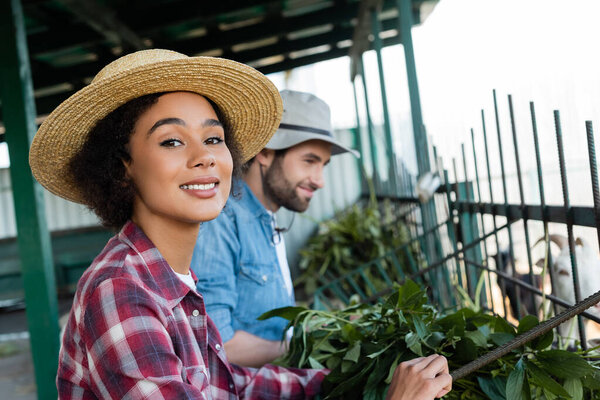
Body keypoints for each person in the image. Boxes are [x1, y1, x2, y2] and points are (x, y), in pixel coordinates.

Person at [30, 49, 451, 399]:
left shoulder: (173, 279)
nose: (205, 156)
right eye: (172, 140)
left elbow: (230, 385)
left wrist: (349, 381)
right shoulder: (121, 290)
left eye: (213, 139)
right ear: (121, 169)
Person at [191, 90, 361, 368]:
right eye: (309, 161)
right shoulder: (221, 220)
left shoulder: (268, 218)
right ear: (265, 153)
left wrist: (325, 326)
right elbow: (216, 344)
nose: (320, 181)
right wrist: (307, 344)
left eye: (324, 165)